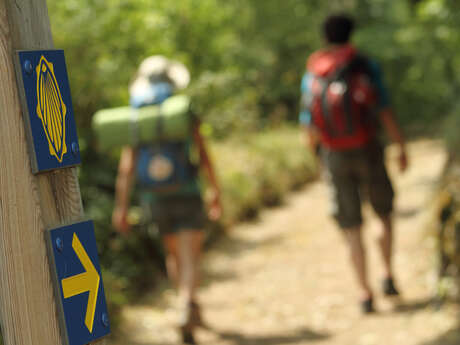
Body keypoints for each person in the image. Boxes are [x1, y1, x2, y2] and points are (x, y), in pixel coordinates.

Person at [299, 14, 408, 313]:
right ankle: (387, 274)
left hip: (333, 153)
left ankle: (364, 292)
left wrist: (318, 157)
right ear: (351, 35)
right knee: (382, 213)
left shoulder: (314, 71)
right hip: (368, 147)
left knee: (351, 226)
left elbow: (308, 123)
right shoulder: (363, 65)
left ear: (324, 37)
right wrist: (400, 146)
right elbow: (383, 108)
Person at [112, 56, 222, 344]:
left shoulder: (137, 117)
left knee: (173, 255)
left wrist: (121, 207)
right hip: (186, 191)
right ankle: (186, 303)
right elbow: (203, 154)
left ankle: (186, 303)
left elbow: (127, 168)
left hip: (154, 198)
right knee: (190, 256)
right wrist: (215, 190)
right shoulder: (182, 111)